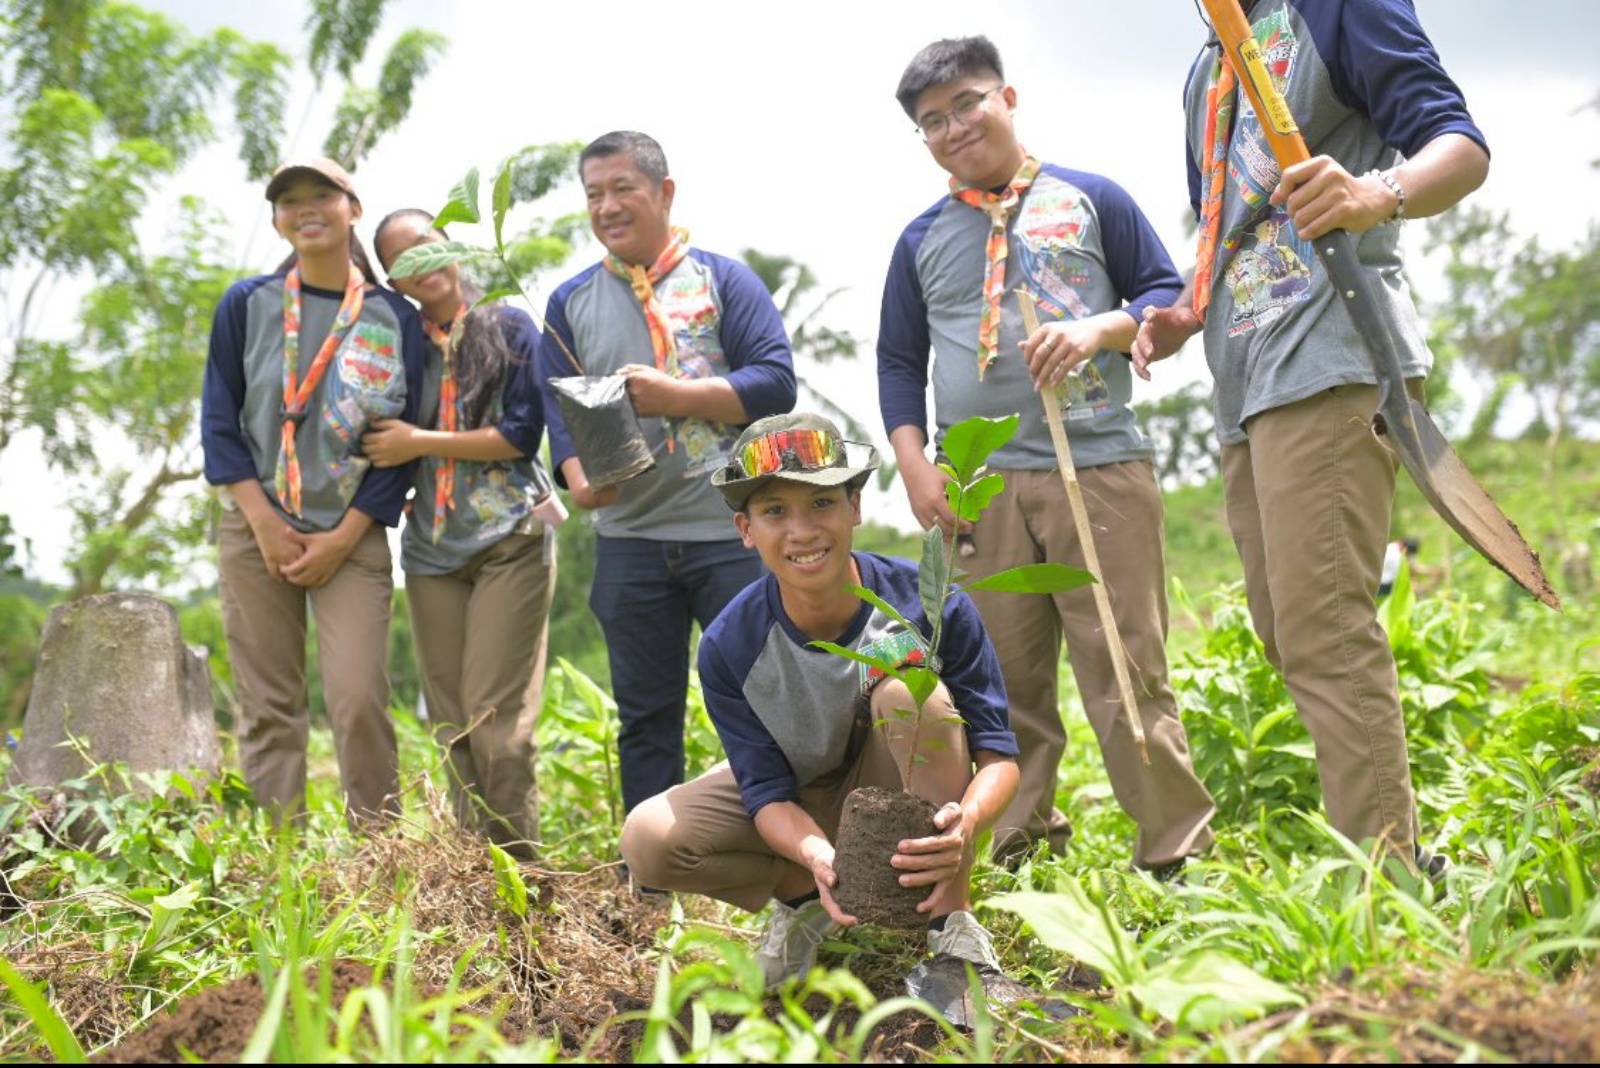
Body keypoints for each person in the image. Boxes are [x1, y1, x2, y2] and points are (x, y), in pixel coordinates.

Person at [1131, 0, 1489, 874]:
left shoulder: (1333, 8)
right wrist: (1182, 312)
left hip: (1330, 348)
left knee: (1324, 628)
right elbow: (1229, 227)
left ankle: (1387, 881)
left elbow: (1460, 146)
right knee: (1285, 630)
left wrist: (1377, 193)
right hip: (1243, 377)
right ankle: (1393, 850)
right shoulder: (1209, 64)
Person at [877, 36, 1217, 876]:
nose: (955, 128)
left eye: (967, 103)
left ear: (1008, 97)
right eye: (933, 121)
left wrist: (1100, 329)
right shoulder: (920, 239)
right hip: (979, 491)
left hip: (1094, 468)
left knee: (1125, 667)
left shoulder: (1091, 199)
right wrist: (916, 467)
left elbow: (1167, 294)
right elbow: (898, 362)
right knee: (1000, 682)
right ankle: (1019, 850)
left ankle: (1174, 853)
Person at [619, 413, 1020, 988]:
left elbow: (998, 756)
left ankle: (950, 921)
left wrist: (969, 823)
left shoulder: (932, 605)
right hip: (800, 791)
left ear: (855, 507)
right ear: (745, 529)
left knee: (912, 694)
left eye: (822, 503)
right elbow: (764, 791)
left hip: (896, 784)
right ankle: (806, 902)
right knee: (648, 838)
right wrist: (811, 852)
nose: (802, 531)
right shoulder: (730, 645)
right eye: (774, 511)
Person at [537, 131, 797, 828]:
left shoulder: (723, 280)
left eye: (622, 188)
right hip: (630, 538)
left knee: (766, 698)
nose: (607, 206)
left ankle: (784, 854)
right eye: (594, 194)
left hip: (730, 534)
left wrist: (676, 395)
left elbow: (776, 382)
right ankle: (653, 870)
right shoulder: (569, 301)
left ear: (664, 192)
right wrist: (576, 476)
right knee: (645, 717)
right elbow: (557, 408)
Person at [201, 158, 427, 825]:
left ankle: (380, 853)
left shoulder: (396, 318)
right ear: (276, 219)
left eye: (322, 195)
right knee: (269, 705)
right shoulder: (247, 304)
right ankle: (279, 861)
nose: (306, 208)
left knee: (357, 699)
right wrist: (264, 524)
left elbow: (400, 447)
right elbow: (220, 421)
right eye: (289, 200)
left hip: (351, 534)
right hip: (255, 528)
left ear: (352, 209)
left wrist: (344, 537)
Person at [363, 208, 566, 859]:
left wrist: (418, 442)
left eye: (427, 246)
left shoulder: (508, 325)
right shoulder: (399, 347)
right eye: (402, 260)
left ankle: (523, 877)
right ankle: (473, 877)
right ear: (392, 281)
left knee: (497, 727)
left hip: (510, 539)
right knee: (452, 729)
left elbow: (520, 435)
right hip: (430, 553)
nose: (420, 265)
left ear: (450, 247)